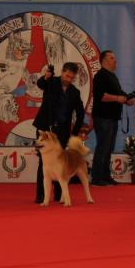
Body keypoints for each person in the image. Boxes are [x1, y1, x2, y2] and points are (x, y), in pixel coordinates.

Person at [33, 62, 85, 204]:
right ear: (62, 72)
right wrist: (46, 77)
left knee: (60, 162)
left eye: (72, 78)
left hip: (62, 131)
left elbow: (80, 113)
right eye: (67, 76)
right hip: (46, 128)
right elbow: (40, 84)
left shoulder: (75, 92)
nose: (68, 79)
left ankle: (58, 195)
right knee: (43, 162)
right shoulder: (51, 82)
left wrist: (74, 133)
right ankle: (41, 196)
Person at [91, 50, 135, 186]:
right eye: (112, 58)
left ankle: (105, 176)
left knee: (108, 148)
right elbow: (101, 96)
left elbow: (119, 93)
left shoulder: (112, 76)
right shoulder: (100, 76)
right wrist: (118, 98)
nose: (115, 60)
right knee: (103, 147)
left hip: (112, 118)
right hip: (103, 117)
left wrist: (127, 99)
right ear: (104, 60)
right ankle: (97, 178)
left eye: (114, 58)